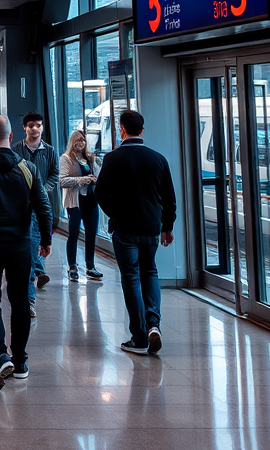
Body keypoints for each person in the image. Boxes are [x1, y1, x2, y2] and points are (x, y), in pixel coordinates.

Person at [0, 115, 51, 392]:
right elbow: (43, 204)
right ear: (10, 137)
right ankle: (20, 361)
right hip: (20, 245)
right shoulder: (27, 168)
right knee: (19, 301)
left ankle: (0, 355)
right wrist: (45, 238)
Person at [94, 109, 177, 355]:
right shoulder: (158, 159)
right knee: (150, 272)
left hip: (125, 228)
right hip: (151, 227)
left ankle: (139, 337)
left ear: (121, 129)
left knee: (130, 278)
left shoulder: (112, 159)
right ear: (142, 130)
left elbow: (100, 193)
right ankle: (154, 325)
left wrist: (115, 214)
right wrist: (167, 226)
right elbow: (169, 198)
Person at [13, 111, 59, 312]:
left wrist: (43, 189)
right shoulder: (17, 150)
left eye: (38, 125)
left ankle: (36, 276)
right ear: (24, 128)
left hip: (42, 206)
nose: (35, 129)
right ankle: (33, 285)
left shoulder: (49, 151)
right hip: (22, 206)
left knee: (37, 242)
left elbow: (55, 174)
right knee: (30, 245)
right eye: (31, 125)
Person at [60, 130, 103, 282]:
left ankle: (90, 266)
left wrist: (94, 178)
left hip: (91, 200)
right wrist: (81, 180)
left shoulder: (90, 158)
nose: (80, 144)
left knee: (91, 234)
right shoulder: (66, 159)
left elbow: (99, 175)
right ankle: (72, 266)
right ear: (72, 142)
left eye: (83, 141)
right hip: (75, 201)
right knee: (73, 233)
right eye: (77, 141)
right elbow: (62, 181)